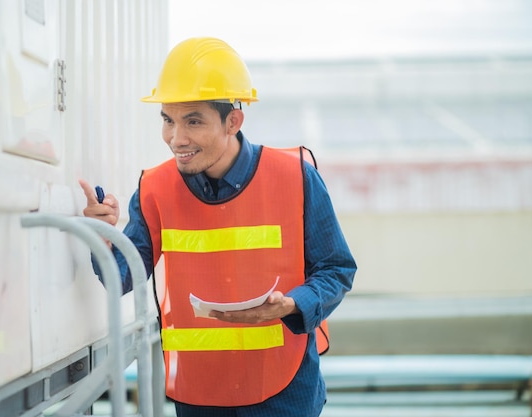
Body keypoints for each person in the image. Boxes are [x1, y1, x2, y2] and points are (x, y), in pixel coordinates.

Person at [79, 37, 356, 417]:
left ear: (233, 120)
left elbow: (336, 270)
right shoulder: (154, 189)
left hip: (283, 390)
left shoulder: (294, 177)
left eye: (193, 121)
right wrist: (103, 236)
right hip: (199, 394)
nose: (176, 139)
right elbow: (122, 278)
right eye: (167, 120)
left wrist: (291, 305)